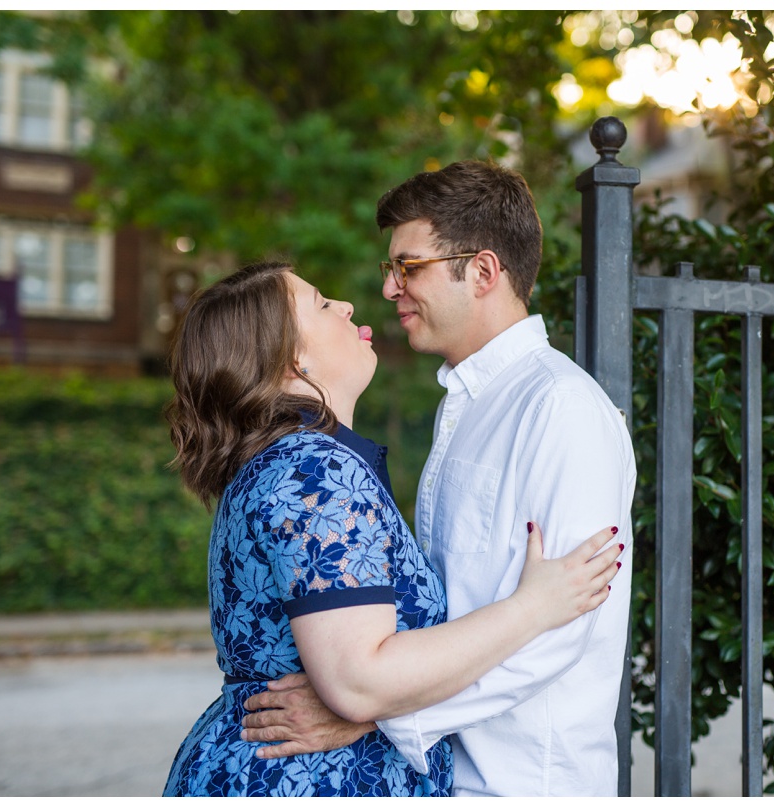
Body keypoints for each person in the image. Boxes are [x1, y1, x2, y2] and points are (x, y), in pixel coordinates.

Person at [241, 161, 637, 796]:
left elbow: (564, 624)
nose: (392, 288)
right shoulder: (465, 404)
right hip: (443, 776)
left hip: (518, 783)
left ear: (482, 271)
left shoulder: (562, 408)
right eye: (391, 270)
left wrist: (371, 713)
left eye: (410, 267)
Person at [161, 260, 623, 796]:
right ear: (292, 359)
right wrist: (535, 605)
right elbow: (360, 681)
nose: (350, 305)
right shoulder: (314, 470)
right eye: (322, 304)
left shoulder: (283, 463)